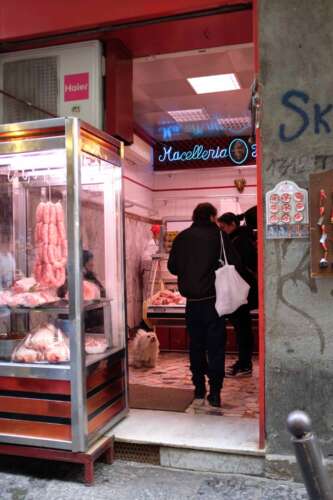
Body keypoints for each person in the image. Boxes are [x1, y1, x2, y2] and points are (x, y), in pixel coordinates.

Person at [168, 202, 240, 408]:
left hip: (192, 304)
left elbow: (172, 267)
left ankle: (199, 388)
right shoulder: (219, 235)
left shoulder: (182, 237)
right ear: (211, 217)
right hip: (214, 302)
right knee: (216, 348)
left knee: (196, 346)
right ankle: (215, 392)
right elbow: (235, 262)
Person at [218, 212, 258, 377]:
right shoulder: (239, 238)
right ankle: (243, 362)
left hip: (242, 291)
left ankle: (245, 365)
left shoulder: (239, 241)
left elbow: (245, 265)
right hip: (242, 290)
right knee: (242, 328)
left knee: (243, 328)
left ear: (232, 225)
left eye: (223, 227)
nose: (221, 230)